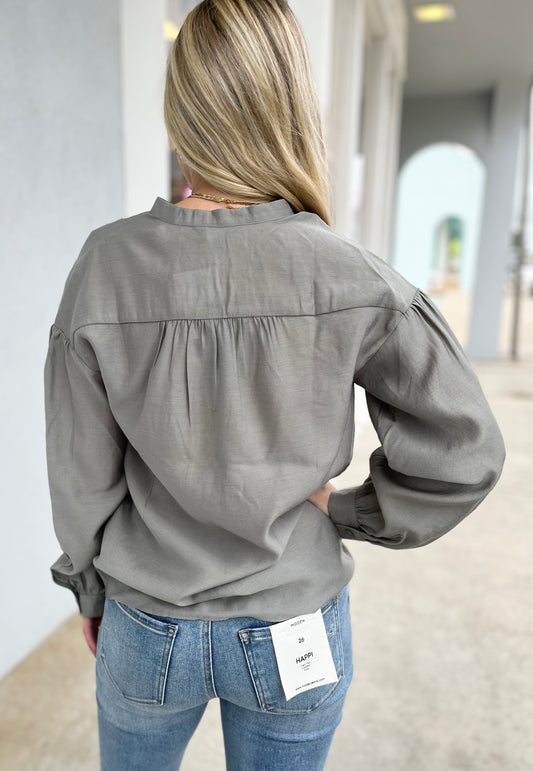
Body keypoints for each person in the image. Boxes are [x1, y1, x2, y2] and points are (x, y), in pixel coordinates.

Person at [43, 1, 505, 769]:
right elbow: (463, 452)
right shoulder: (349, 271)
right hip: (296, 622)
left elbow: (79, 478)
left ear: (181, 105)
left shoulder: (105, 266)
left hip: (146, 624)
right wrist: (353, 510)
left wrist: (92, 593)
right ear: (290, 103)